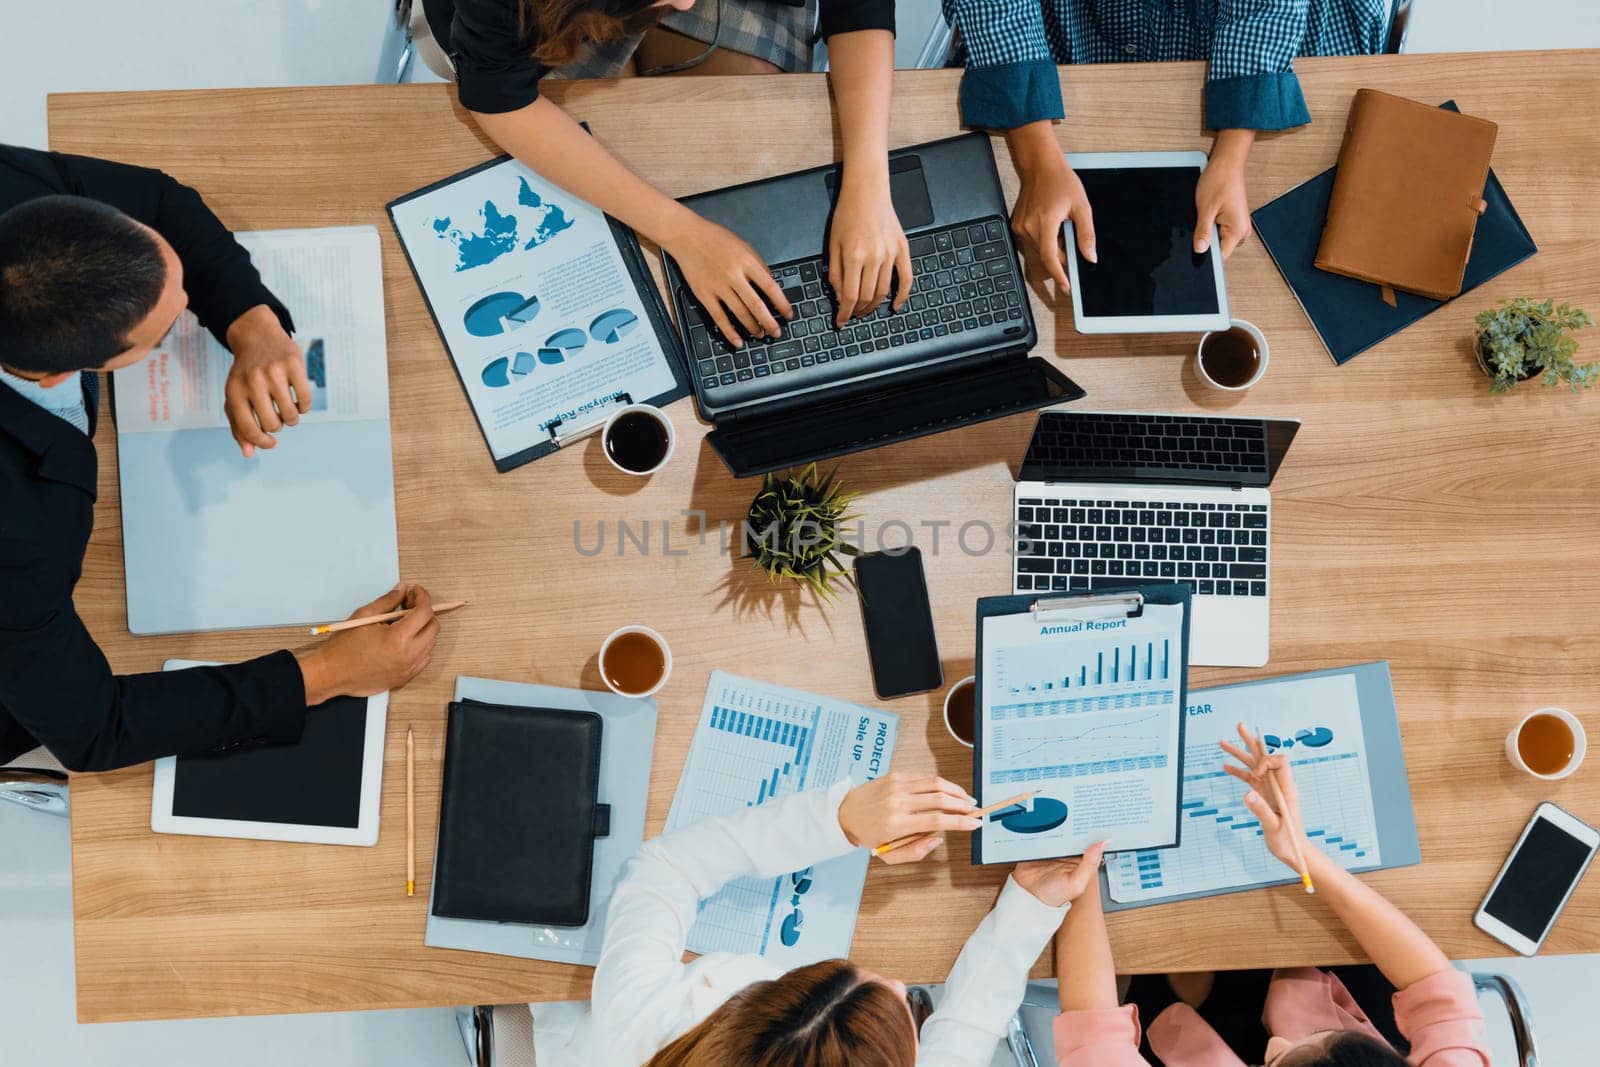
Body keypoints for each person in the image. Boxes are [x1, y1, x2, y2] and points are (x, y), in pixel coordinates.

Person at [0, 144, 441, 772]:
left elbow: (158, 200)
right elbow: (95, 729)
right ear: (58, 375)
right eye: (158, 338)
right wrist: (327, 674)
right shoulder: (20, 543)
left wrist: (252, 327)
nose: (187, 307)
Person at [528, 770, 1107, 1064]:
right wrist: (1031, 903)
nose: (905, 984)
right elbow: (963, 1037)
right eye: (903, 1006)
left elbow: (665, 870)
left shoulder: (634, 1026)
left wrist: (840, 822)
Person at [421, 0, 912, 343]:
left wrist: (869, 184)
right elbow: (497, 96)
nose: (685, 3)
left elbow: (858, 7)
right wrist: (683, 234)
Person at [1050, 724, 1491, 1066]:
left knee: (1171, 980)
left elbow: (1094, 1035)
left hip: (1185, 1027)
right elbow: (1437, 990)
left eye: (1275, 1058)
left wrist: (1076, 866)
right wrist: (1303, 854)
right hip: (1323, 980)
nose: (1275, 1041)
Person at [940, 0, 1389, 291]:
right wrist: (1037, 160)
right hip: (1063, 31)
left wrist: (1233, 155)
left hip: (1252, 40)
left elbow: (1266, 10)